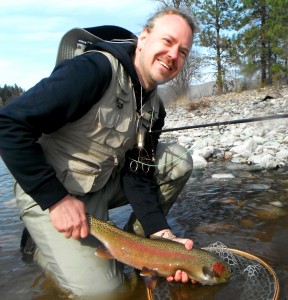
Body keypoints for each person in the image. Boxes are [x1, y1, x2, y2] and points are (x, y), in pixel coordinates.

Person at [0, 7, 197, 297]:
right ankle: (43, 246)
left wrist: (160, 234)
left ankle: (134, 248)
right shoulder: (94, 70)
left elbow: (138, 175)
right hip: (52, 192)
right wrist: (55, 200)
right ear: (143, 38)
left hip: (100, 184)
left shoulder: (155, 108)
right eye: (167, 42)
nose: (173, 55)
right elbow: (8, 124)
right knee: (108, 293)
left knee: (178, 161)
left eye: (183, 52)